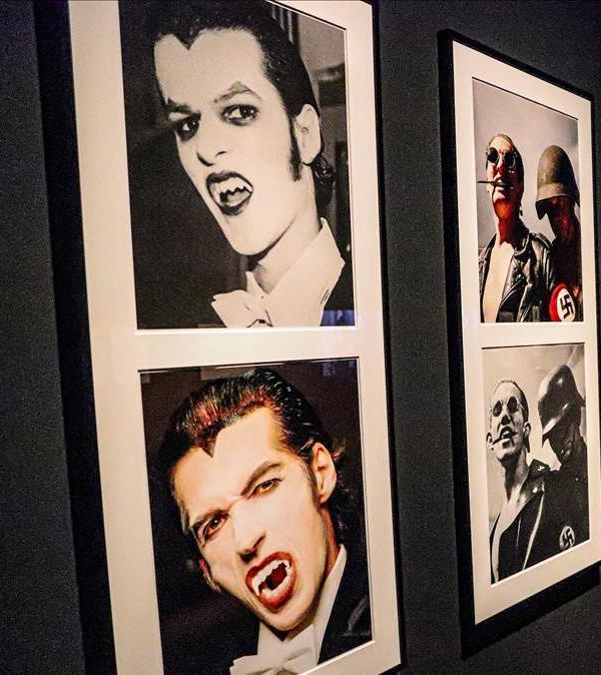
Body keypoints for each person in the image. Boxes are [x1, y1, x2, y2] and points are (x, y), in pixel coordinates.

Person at [157, 368, 369, 674]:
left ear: (320, 474)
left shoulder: (397, 609)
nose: (246, 540)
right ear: (206, 571)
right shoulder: (199, 661)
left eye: (264, 486)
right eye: (214, 524)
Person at [150, 2, 348, 328]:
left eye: (240, 112)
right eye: (187, 124)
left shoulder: (371, 303)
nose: (207, 149)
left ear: (305, 134)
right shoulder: (192, 322)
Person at [486, 379, 582, 582]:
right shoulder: (493, 535)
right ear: (489, 441)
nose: (504, 417)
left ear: (527, 429)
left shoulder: (557, 488)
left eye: (513, 407)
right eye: (497, 410)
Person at [477, 134, 554, 322]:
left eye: (509, 160)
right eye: (493, 156)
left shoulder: (540, 255)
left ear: (520, 187)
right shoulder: (478, 266)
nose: (501, 167)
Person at [537, 364, 590, 547]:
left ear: (576, 418)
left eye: (562, 428)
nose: (558, 441)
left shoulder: (596, 469)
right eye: (552, 436)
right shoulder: (554, 488)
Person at [535, 145, 582, 322]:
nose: (557, 218)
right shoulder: (550, 260)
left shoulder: (592, 249)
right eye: (550, 209)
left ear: (571, 202)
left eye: (561, 204)